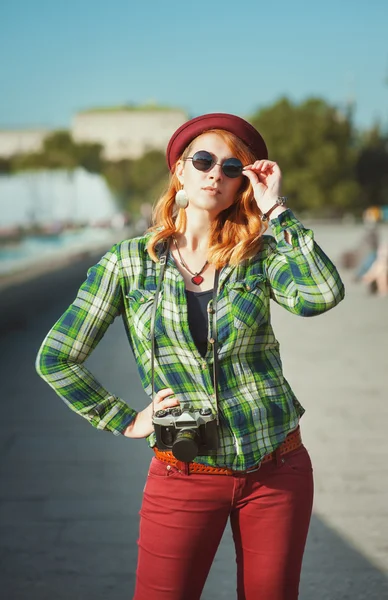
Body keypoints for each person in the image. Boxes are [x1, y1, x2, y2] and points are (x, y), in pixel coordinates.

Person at [36, 113, 345, 600]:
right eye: (203, 161)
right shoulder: (127, 262)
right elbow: (56, 357)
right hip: (184, 471)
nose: (214, 174)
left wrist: (276, 210)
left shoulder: (258, 255)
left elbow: (321, 295)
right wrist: (123, 419)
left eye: (231, 168)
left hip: (277, 470)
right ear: (180, 170)